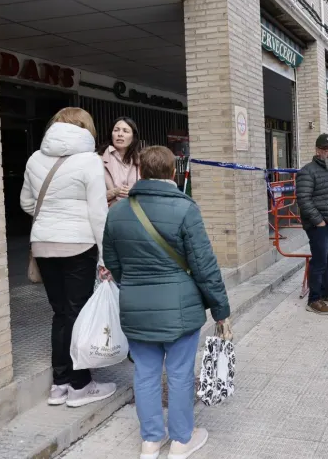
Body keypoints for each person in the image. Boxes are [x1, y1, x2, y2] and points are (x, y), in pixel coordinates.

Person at [102, 146, 230, 459]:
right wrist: (221, 310)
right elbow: (204, 265)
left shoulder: (118, 212)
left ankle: (150, 441)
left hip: (135, 307)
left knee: (145, 373)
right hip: (180, 308)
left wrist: (133, 285)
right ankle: (181, 440)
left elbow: (112, 262)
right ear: (173, 173)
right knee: (179, 373)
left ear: (141, 172)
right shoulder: (186, 209)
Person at [20, 108, 116, 408]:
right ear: (86, 128)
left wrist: (50, 215)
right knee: (78, 313)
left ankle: (59, 385)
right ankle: (80, 385)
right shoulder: (89, 160)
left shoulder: (35, 158)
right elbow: (98, 213)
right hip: (78, 245)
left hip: (44, 245)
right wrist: (106, 256)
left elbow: (26, 203)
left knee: (60, 314)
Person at [295, 133, 328, 315]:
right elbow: (303, 199)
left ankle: (326, 293)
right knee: (319, 262)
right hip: (320, 227)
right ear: (318, 150)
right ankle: (314, 299)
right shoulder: (308, 171)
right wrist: (318, 221)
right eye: (326, 149)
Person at [103, 117, 142, 207]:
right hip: (110, 214)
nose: (120, 134)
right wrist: (113, 192)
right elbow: (90, 195)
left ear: (133, 137)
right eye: (116, 130)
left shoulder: (141, 161)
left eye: (125, 131)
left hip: (136, 213)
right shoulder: (98, 160)